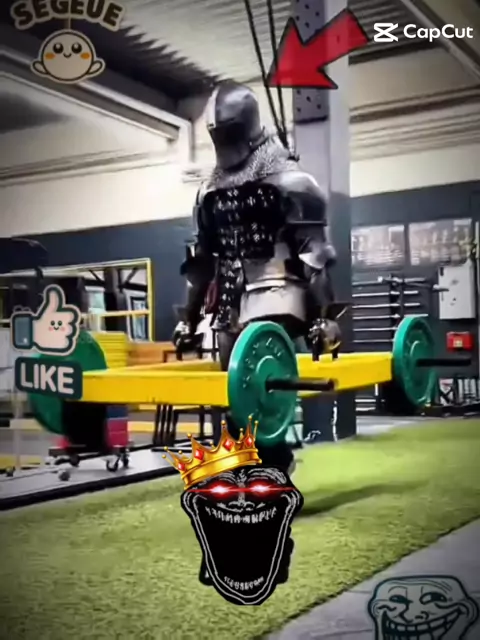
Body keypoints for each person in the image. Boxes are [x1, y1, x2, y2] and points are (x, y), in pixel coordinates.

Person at [173, 81, 341, 473]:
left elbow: (313, 254)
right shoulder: (209, 191)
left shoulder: (290, 180)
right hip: (232, 297)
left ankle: (274, 464)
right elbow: (202, 261)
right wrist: (189, 319)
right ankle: (252, 466)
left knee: (258, 379)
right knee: (235, 390)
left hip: (280, 290)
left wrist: (325, 316)